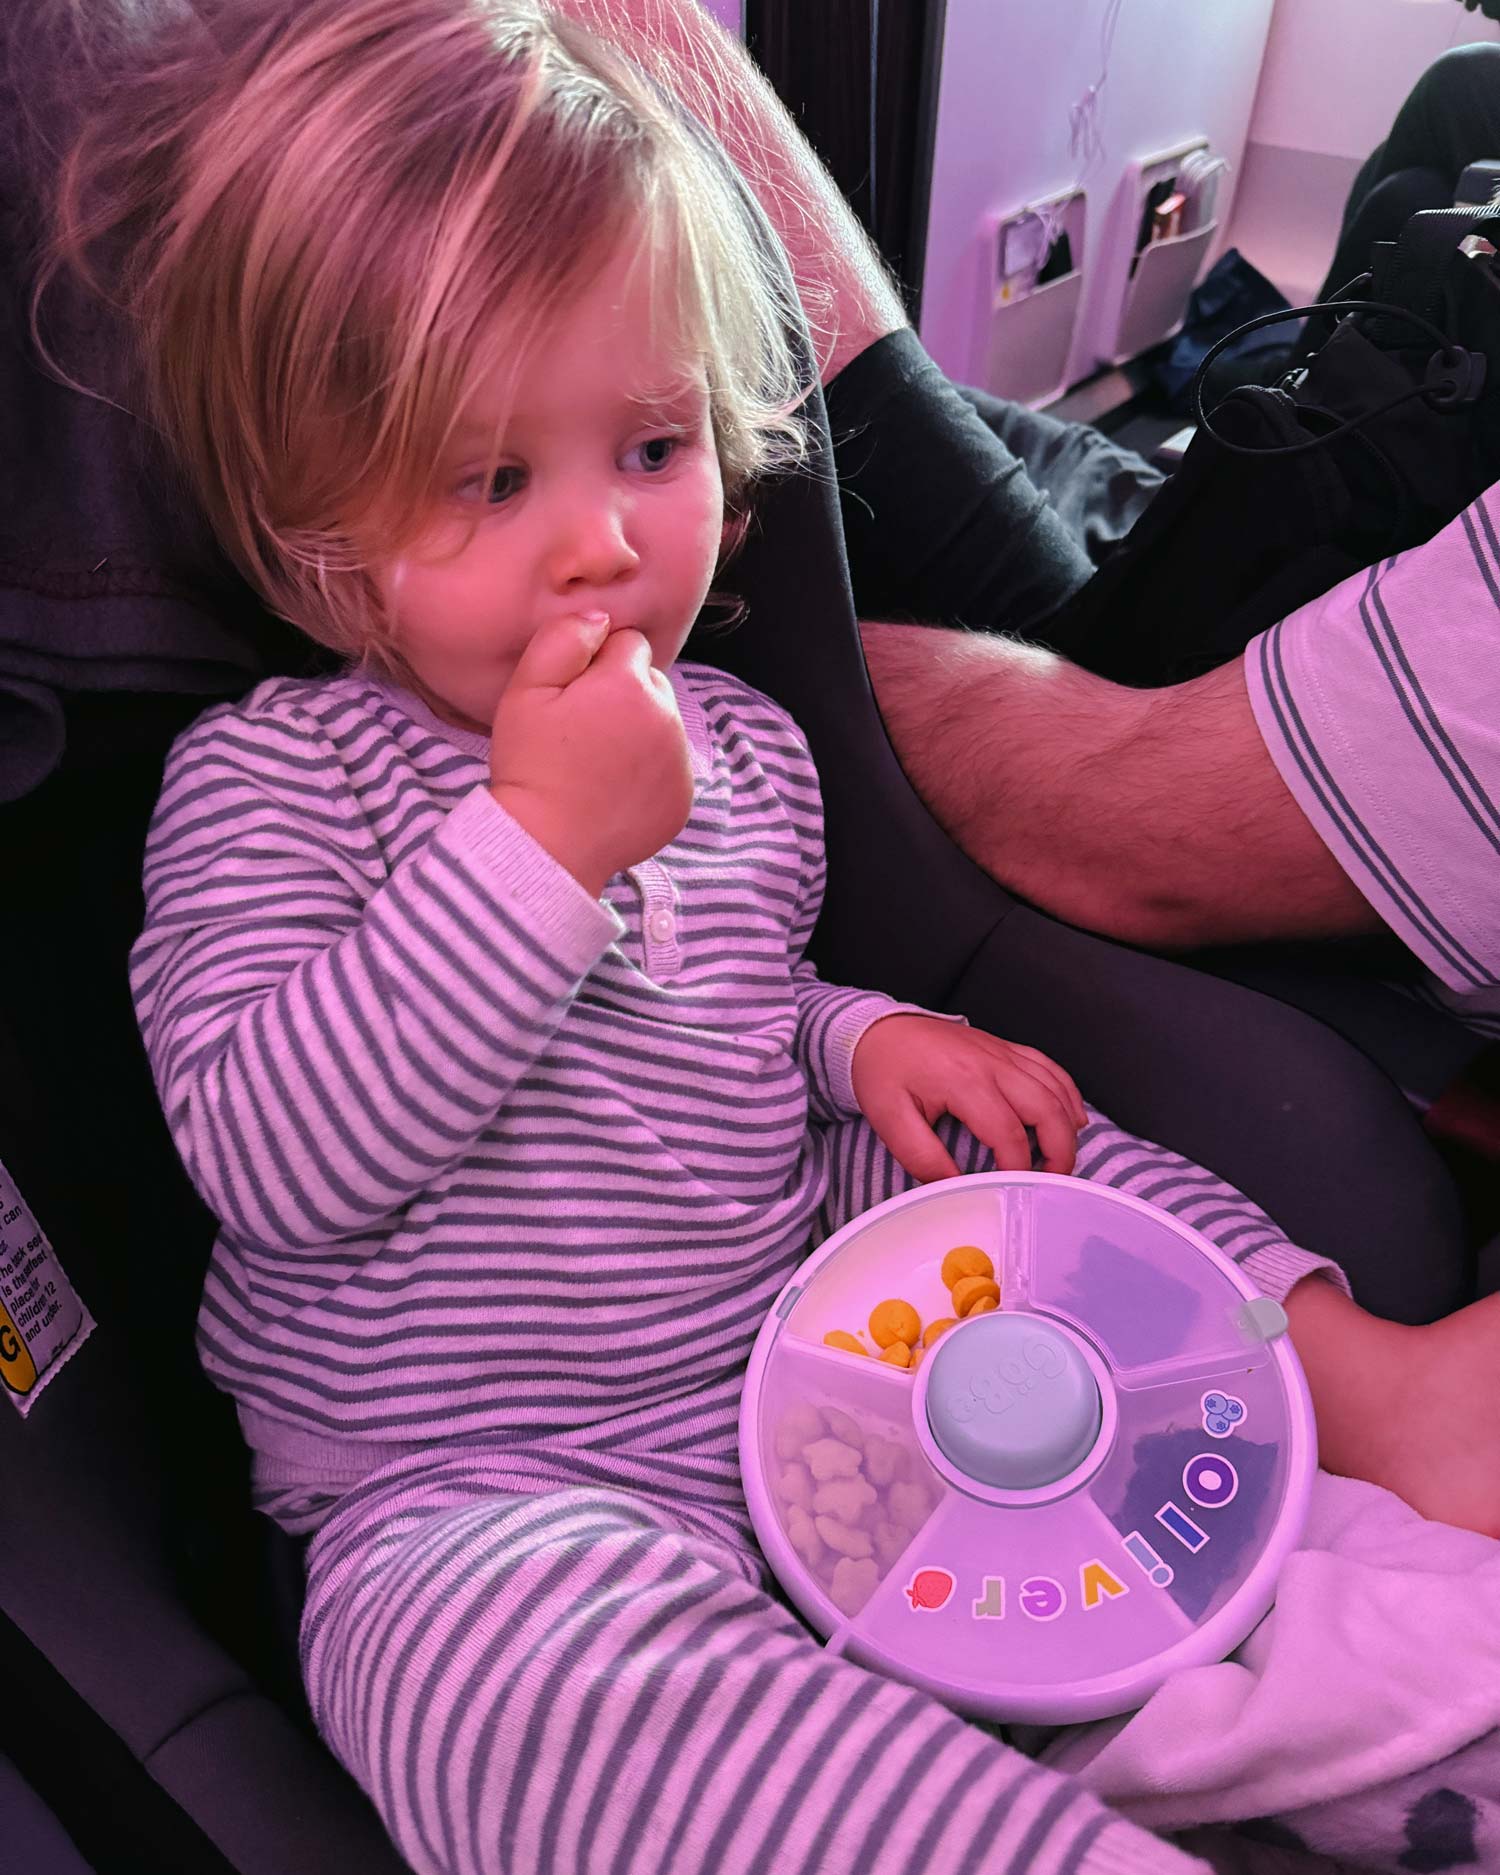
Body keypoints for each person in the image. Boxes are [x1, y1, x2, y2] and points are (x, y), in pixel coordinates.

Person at [38, 3, 1500, 1872]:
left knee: (1029, 1164)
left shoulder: (740, 748)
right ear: (316, 531)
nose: (596, 543)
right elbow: (275, 1159)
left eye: (650, 445)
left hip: (831, 1375)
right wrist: (537, 849)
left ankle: (1376, 1604)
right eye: (496, 482)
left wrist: (855, 1042)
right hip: (485, 1493)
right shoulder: (276, 784)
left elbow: (727, 1005)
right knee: (515, 1689)